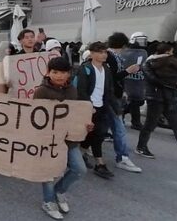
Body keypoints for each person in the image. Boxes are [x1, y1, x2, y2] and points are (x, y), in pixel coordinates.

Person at [35, 57, 93, 220]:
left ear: (69, 73)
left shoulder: (72, 90)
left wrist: (85, 125)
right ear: (48, 72)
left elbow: (75, 113)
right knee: (49, 172)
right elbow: (35, 118)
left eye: (63, 72)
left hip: (69, 139)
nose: (59, 76)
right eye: (55, 72)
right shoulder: (41, 91)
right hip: (48, 140)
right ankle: (48, 201)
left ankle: (59, 191)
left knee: (79, 169)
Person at [77, 42, 119, 179]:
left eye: (105, 52)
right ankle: (99, 163)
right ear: (92, 53)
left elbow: (110, 89)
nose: (104, 55)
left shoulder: (106, 69)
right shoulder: (85, 69)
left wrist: (115, 106)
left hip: (103, 106)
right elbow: (81, 91)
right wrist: (89, 106)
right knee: (96, 134)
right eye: (101, 52)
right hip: (89, 108)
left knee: (96, 134)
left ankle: (81, 154)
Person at [105, 32, 142, 173]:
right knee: (119, 128)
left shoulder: (114, 57)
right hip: (111, 97)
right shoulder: (110, 57)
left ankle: (87, 148)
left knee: (105, 126)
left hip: (114, 96)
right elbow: (112, 78)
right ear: (124, 45)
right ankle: (122, 157)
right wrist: (128, 71)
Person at [136, 43, 177, 158]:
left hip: (162, 97)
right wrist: (170, 84)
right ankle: (141, 147)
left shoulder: (149, 63)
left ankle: (141, 147)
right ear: (167, 52)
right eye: (171, 51)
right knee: (150, 124)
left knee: (173, 123)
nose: (171, 54)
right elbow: (153, 79)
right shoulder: (151, 64)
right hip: (158, 97)